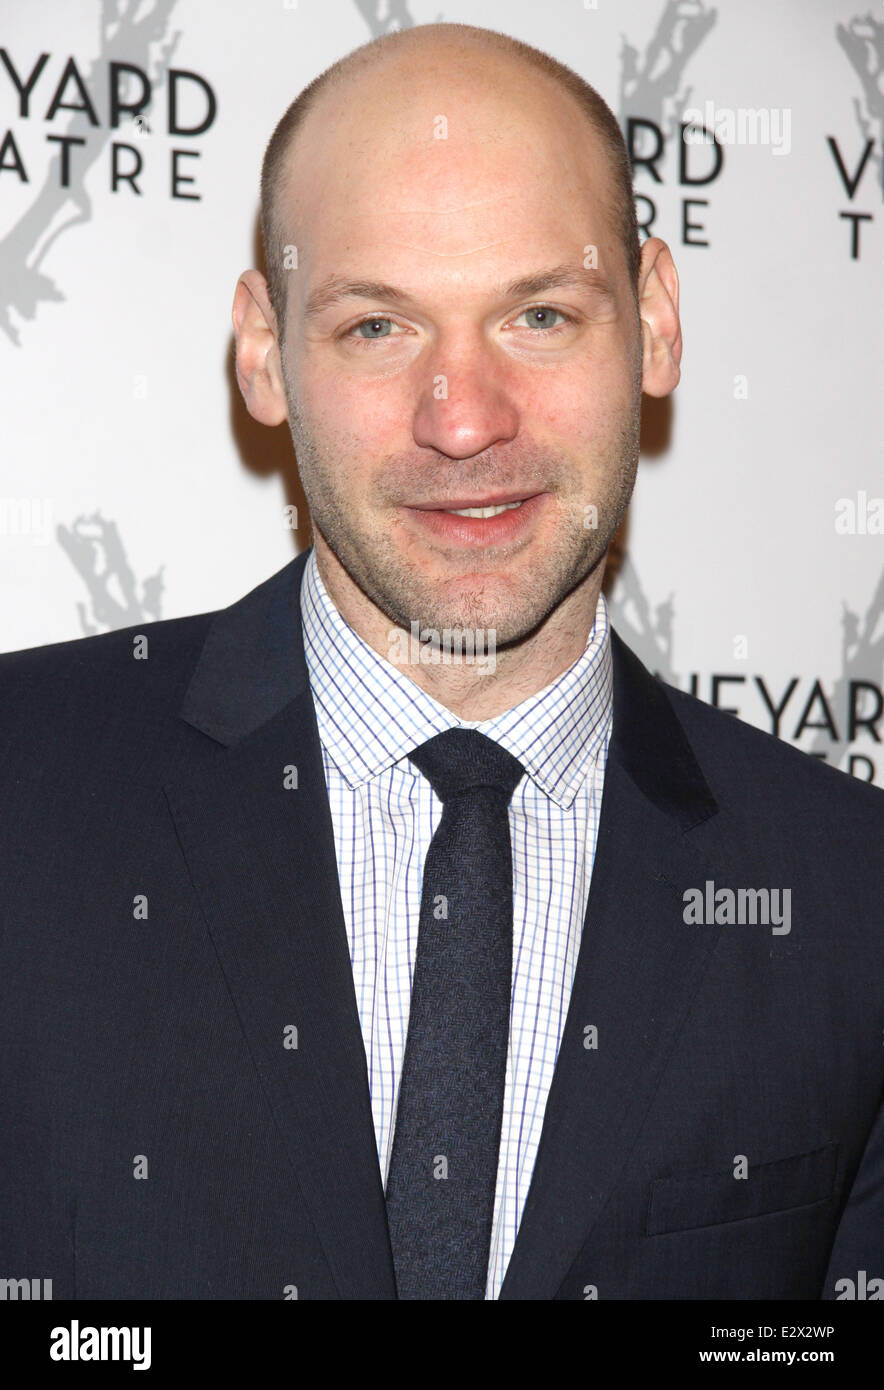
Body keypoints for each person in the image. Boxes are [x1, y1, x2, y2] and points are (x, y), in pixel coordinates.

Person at [0, 22, 881, 1302]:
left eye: (537, 313)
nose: (463, 418)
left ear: (652, 321)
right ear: (264, 350)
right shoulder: (22, 794)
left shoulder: (845, 895)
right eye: (376, 327)